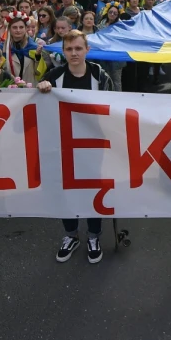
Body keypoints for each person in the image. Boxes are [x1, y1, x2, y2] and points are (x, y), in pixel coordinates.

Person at [37, 31, 114, 264]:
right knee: (65, 189)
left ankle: (93, 236)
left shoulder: (100, 76)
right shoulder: (54, 76)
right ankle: (71, 235)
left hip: (93, 144)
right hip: (63, 144)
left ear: (87, 50)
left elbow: (113, 107)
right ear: (63, 51)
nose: (74, 53)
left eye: (78, 48)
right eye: (69, 49)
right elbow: (40, 107)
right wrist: (41, 88)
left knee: (93, 189)